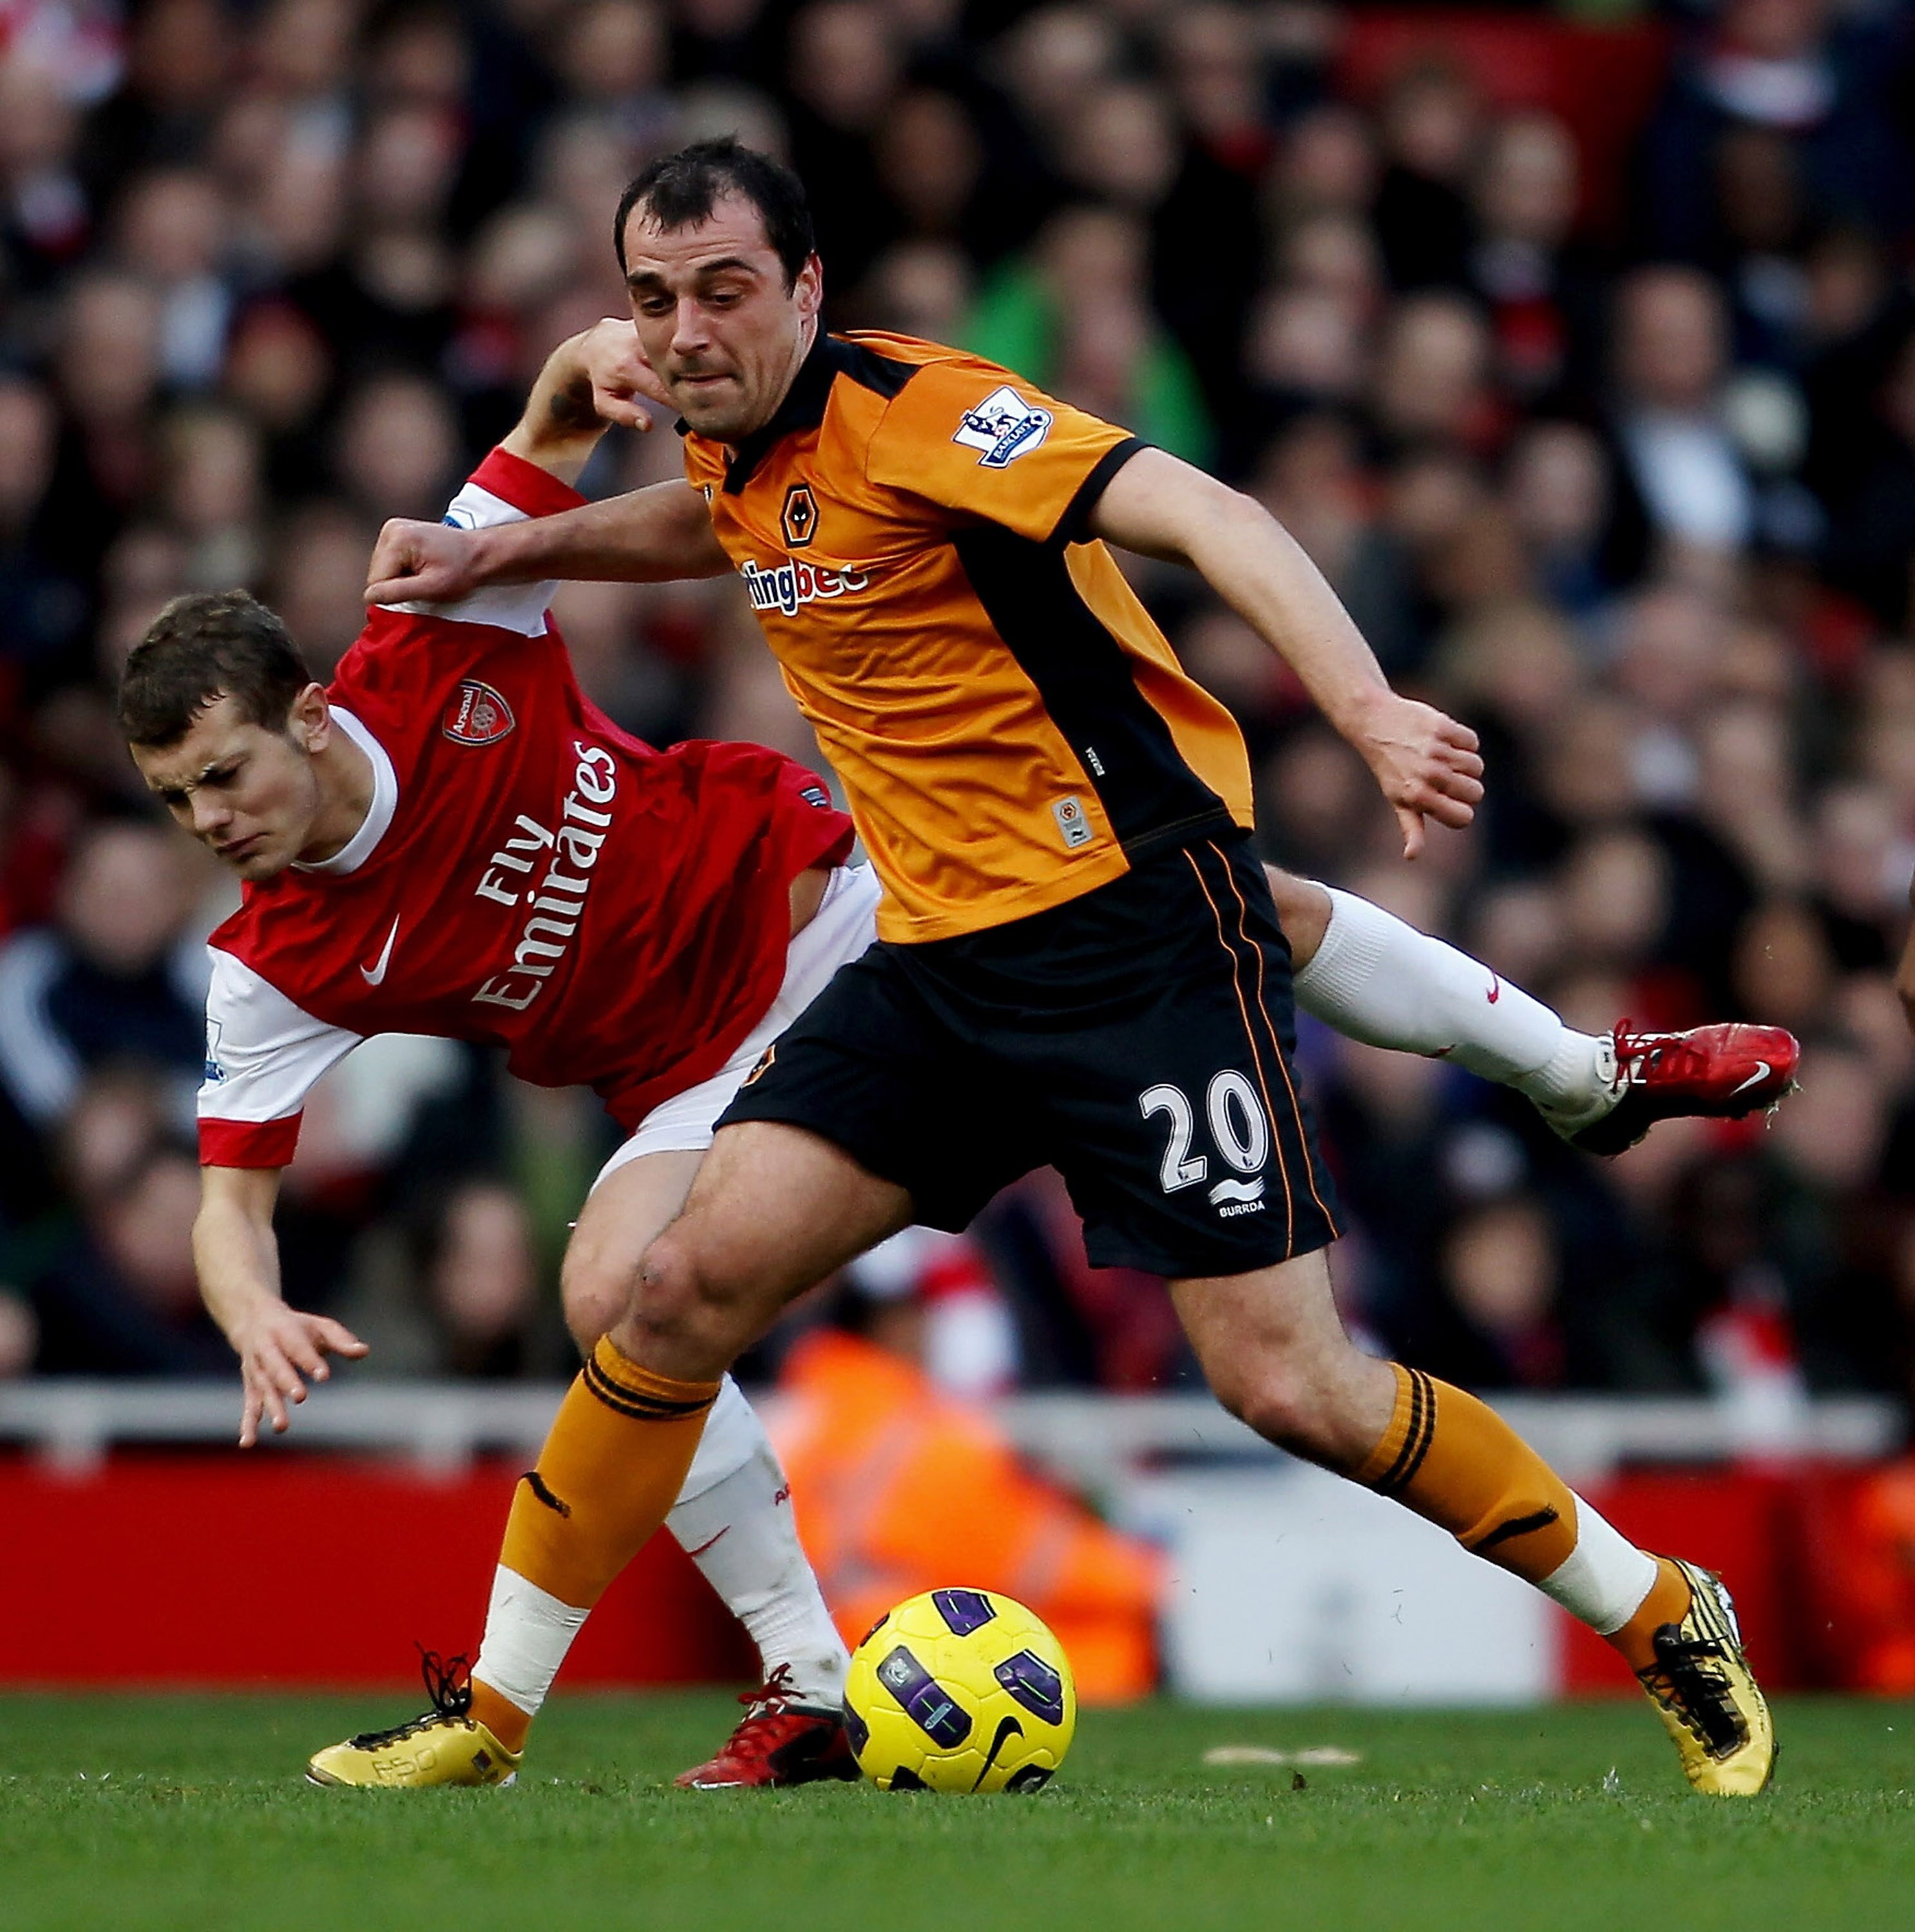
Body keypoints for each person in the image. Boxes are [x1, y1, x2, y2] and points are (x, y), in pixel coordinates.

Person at [326, 140, 1789, 1795]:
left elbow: (1200, 507)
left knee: (1291, 1385)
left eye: (724, 291)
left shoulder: (916, 409)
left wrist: (1366, 706)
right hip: (935, 965)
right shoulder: (739, 448)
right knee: (669, 1294)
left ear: (806, 290)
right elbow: (729, 532)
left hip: (1133, 944)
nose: (682, 332)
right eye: (653, 299)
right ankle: (490, 1718)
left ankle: (1661, 1606)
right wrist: (506, 552)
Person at [119, 329, 869, 1791]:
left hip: (822, 899)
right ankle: (806, 1682)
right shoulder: (272, 965)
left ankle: (1465, 1020)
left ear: (313, 713)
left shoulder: (432, 633)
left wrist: (587, 365)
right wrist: (252, 1310)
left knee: (1214, 919)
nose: (208, 820)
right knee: (614, 1296)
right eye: (173, 800)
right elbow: (228, 1202)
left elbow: (540, 438)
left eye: (225, 773)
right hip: (692, 1072)